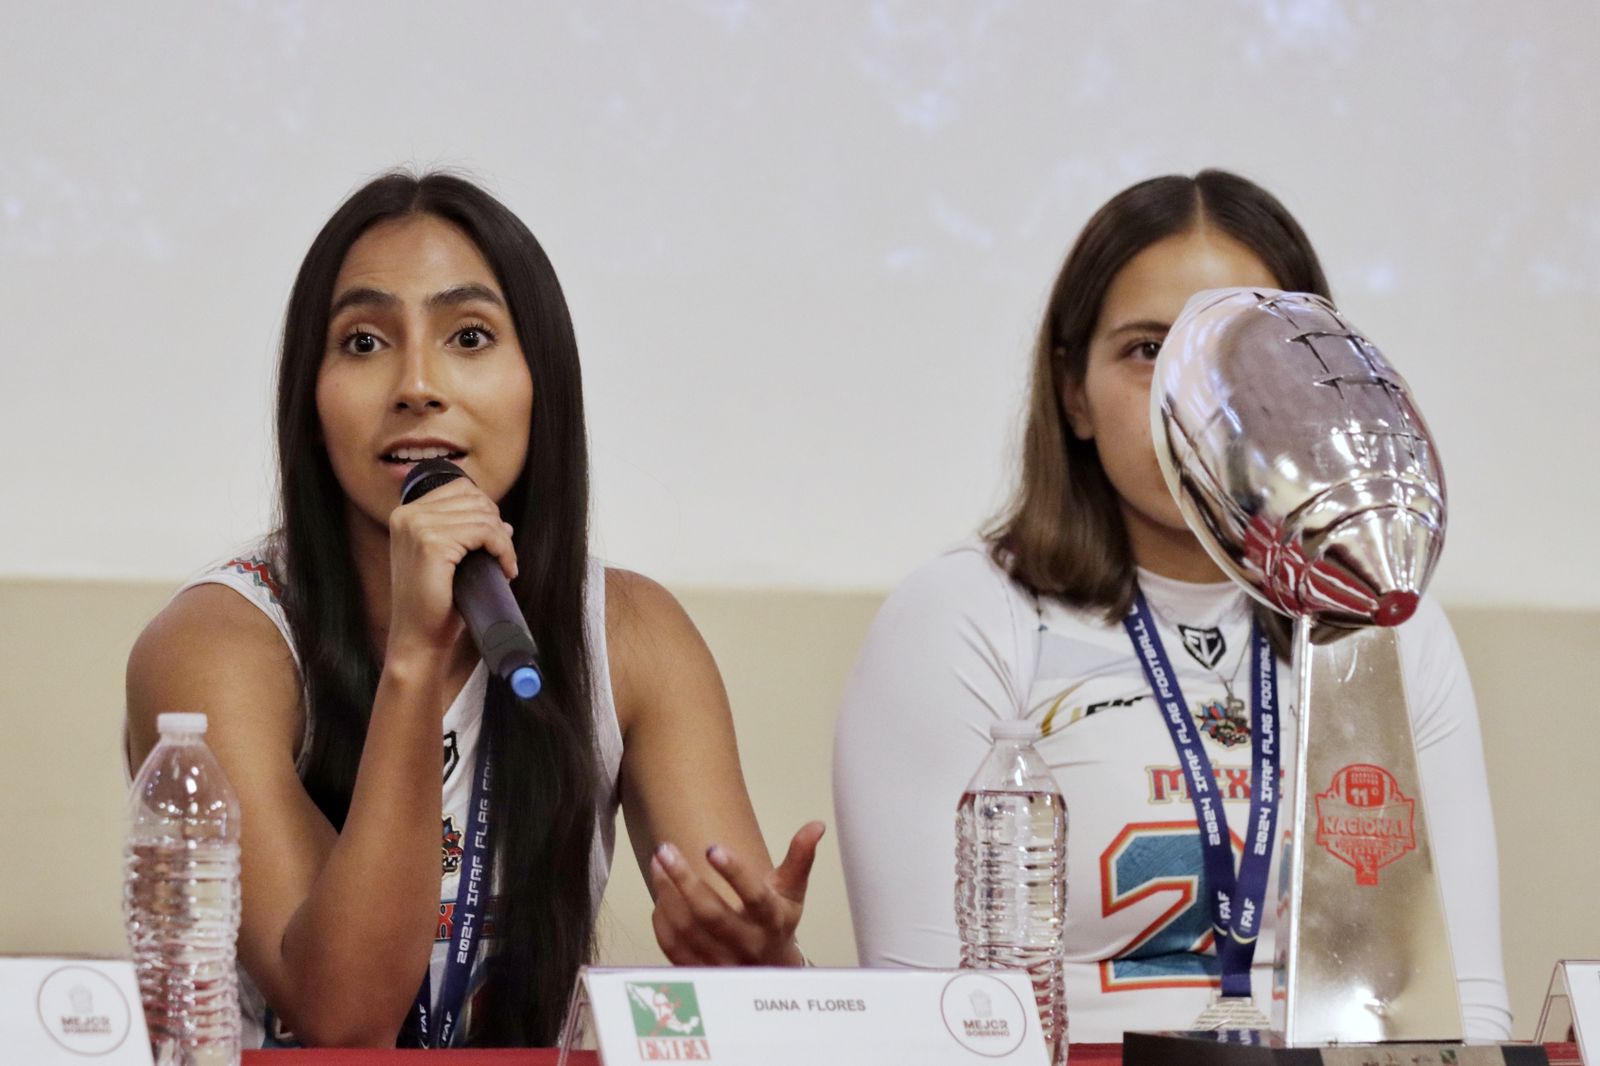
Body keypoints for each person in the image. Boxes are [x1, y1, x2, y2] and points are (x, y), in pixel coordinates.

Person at [125, 171, 824, 1050]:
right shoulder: (217, 645)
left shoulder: (632, 636)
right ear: (310, 402)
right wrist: (416, 656)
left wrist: (767, 971)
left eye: (468, 336)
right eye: (365, 342)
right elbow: (344, 1020)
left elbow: (757, 998)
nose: (417, 385)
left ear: (541, 383)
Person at [832, 169, 1512, 1042]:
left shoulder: (1391, 628)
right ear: (1073, 393)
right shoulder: (963, 618)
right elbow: (930, 1031)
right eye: (1148, 350)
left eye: (1245, 351)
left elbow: (1463, 1016)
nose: (1195, 399)